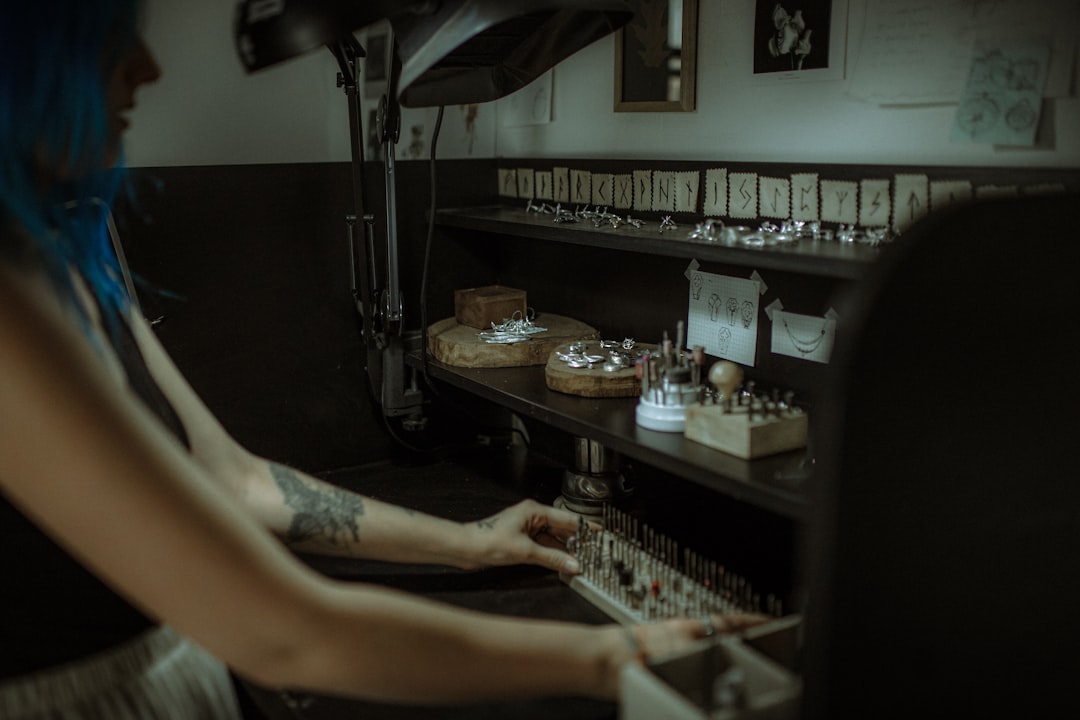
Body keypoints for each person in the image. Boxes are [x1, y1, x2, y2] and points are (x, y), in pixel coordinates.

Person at [0, 2, 767, 717]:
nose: (146, 67)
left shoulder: (63, 255)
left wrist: (469, 544)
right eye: (102, 41)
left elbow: (234, 479)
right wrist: (617, 657)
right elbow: (288, 633)